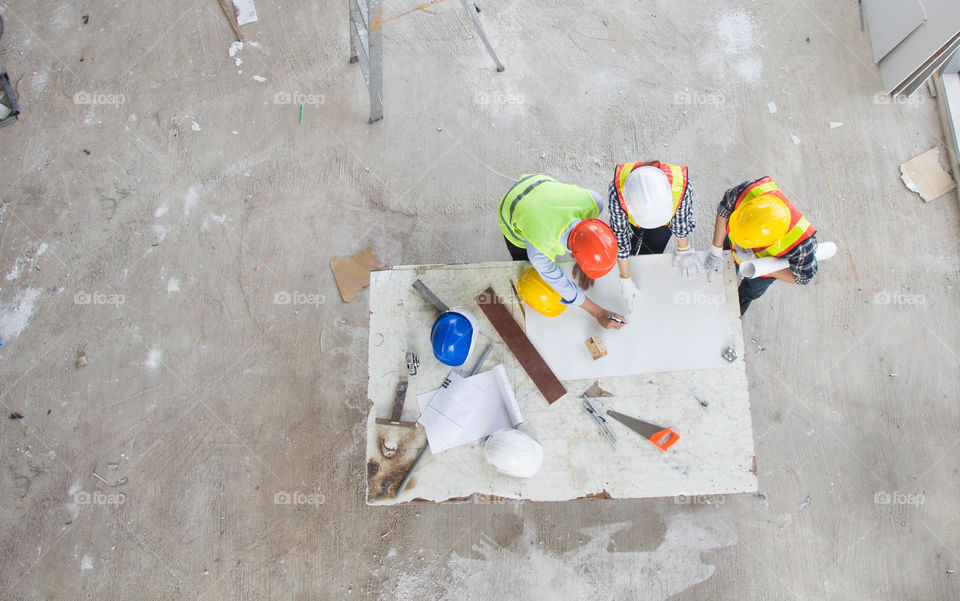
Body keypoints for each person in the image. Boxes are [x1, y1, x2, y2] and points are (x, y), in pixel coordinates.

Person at [498, 174, 625, 330]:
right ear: (573, 255)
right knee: (523, 262)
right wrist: (598, 313)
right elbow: (564, 288)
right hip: (510, 205)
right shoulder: (540, 252)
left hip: (536, 182)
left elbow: (589, 236)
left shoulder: (594, 202)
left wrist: (585, 255)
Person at [703, 177, 818, 314]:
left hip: (762, 273)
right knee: (727, 266)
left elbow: (802, 278)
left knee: (751, 291)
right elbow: (723, 210)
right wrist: (716, 250)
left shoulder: (802, 245)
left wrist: (757, 265)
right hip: (735, 246)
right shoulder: (745, 192)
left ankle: (740, 303)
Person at [607, 161, 700, 312]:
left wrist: (684, 249)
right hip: (634, 221)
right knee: (630, 244)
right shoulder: (617, 192)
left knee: (653, 248)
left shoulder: (681, 187)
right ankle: (633, 255)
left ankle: (643, 257)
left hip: (663, 224)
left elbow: (680, 222)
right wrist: (625, 279)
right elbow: (620, 236)